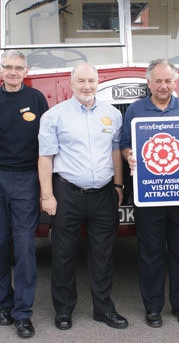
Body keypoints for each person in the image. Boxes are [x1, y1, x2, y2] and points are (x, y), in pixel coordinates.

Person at [38, 62, 128, 331]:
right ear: (71, 83)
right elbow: (45, 158)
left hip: (103, 193)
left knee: (103, 254)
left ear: (98, 81)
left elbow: (115, 152)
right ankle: (64, 310)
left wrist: (119, 185)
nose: (87, 86)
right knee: (64, 255)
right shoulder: (55, 116)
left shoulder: (113, 114)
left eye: (91, 81)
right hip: (67, 193)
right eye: (82, 81)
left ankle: (103, 309)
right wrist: (47, 195)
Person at [119, 59, 179, 328]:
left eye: (168, 81)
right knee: (150, 254)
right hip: (149, 195)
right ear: (149, 83)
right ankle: (152, 308)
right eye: (158, 81)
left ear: (175, 82)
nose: (163, 86)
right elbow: (125, 145)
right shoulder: (135, 110)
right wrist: (129, 156)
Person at [0, 50, 49, 339]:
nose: (12, 72)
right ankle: (4, 303)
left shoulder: (36, 100)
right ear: (0, 69)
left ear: (26, 70)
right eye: (7, 67)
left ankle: (23, 312)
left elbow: (46, 145)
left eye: (18, 67)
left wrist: (45, 187)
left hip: (26, 179)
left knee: (23, 246)